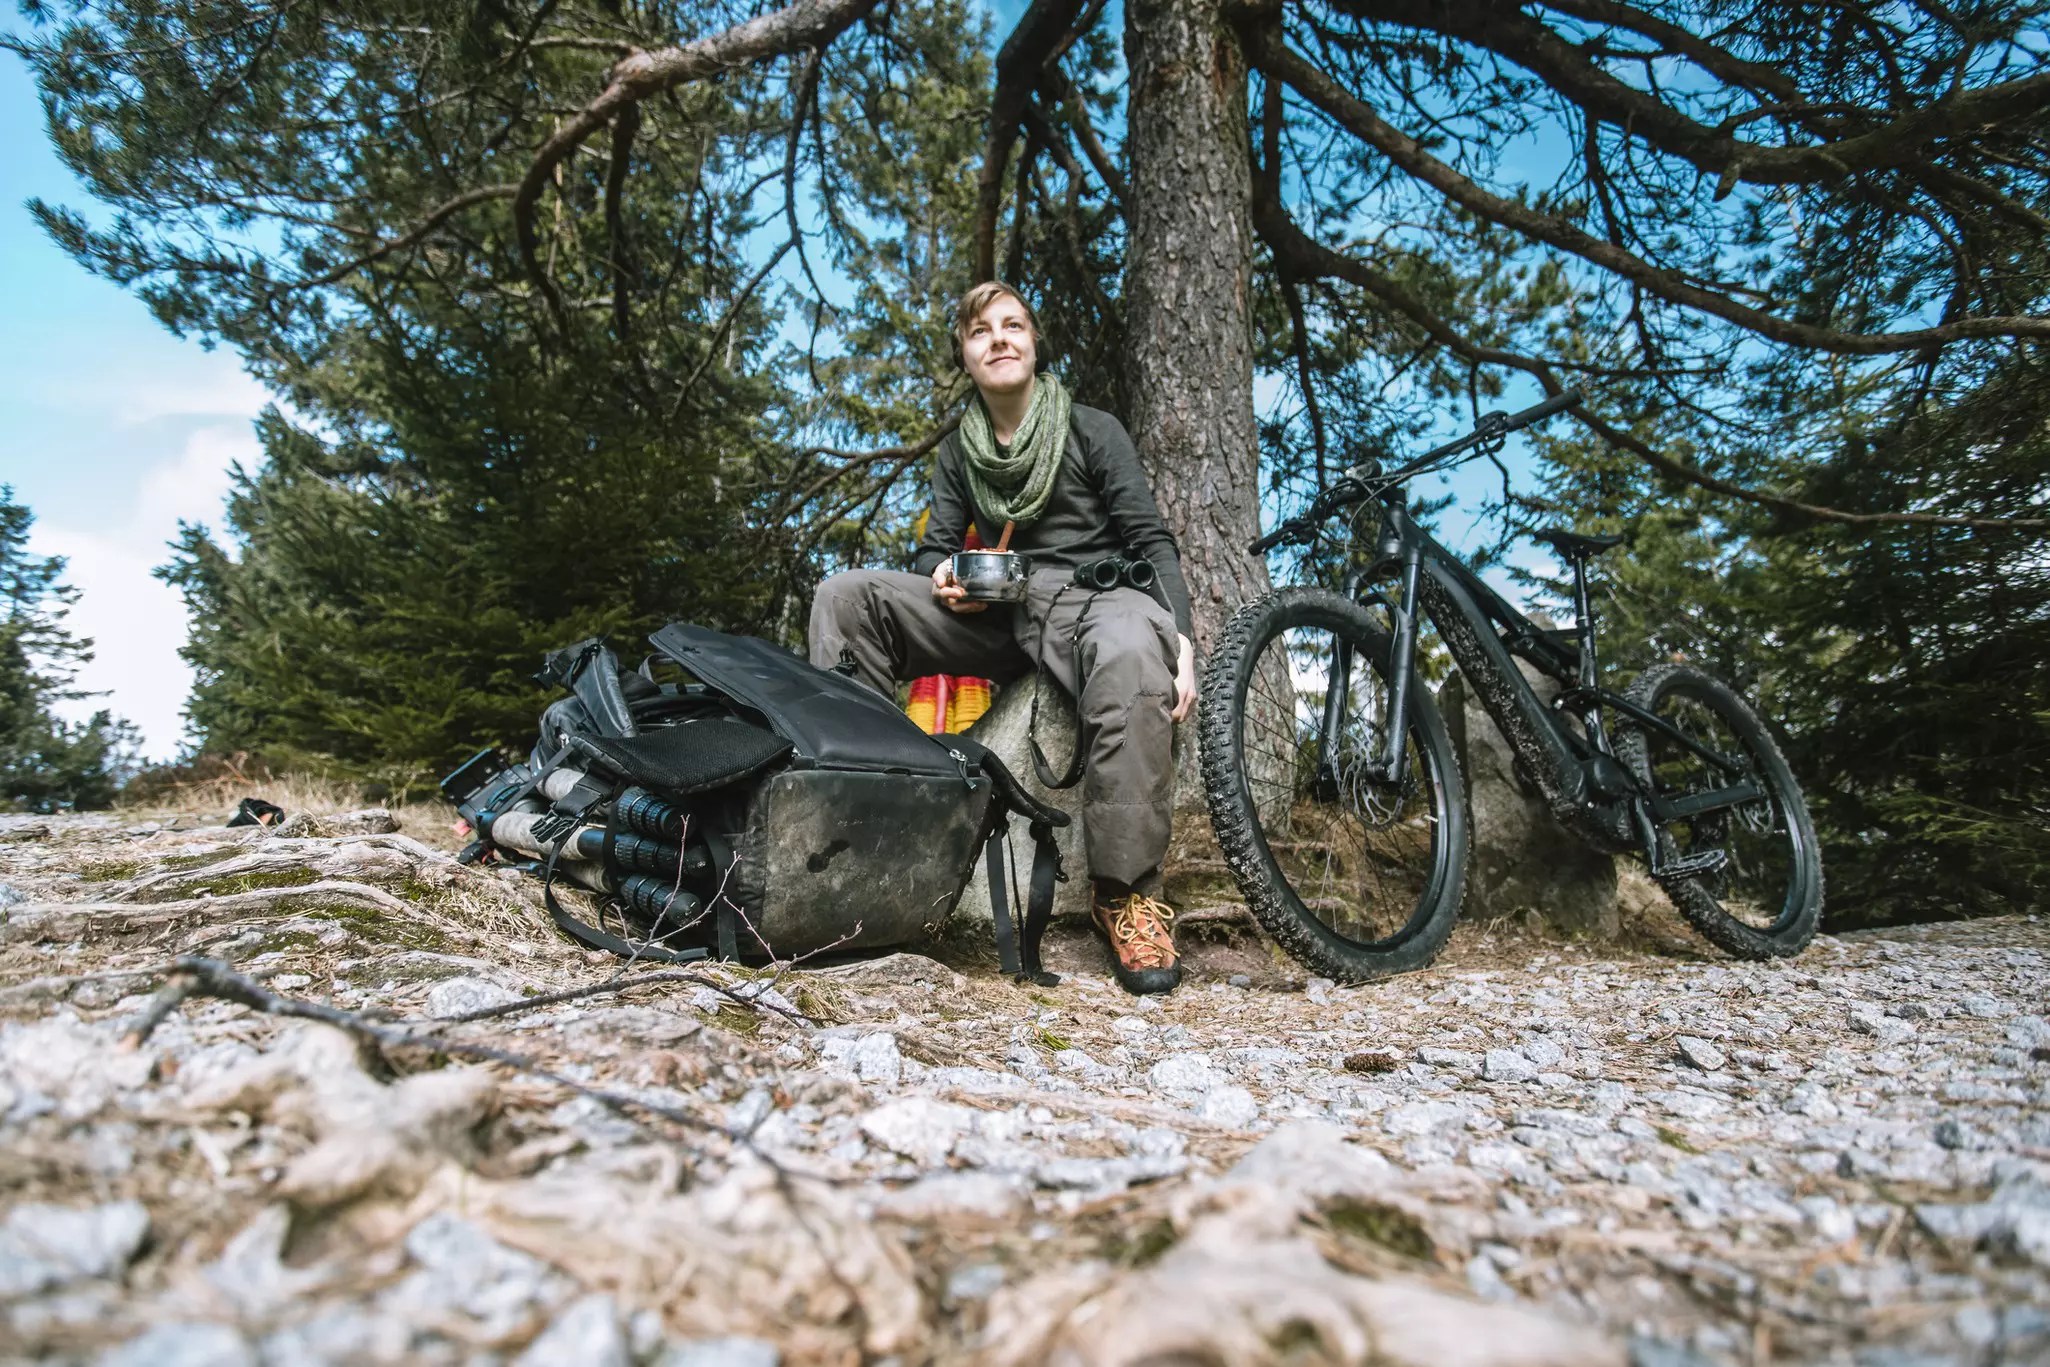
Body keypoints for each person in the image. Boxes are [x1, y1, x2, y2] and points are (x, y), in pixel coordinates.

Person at [809, 282, 1197, 995]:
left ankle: (1127, 895)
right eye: (981, 329)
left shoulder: (1090, 428)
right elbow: (929, 554)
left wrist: (1185, 641)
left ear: (1034, 340)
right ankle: (862, 848)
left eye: (1013, 323)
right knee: (846, 597)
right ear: (965, 352)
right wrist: (948, 572)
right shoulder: (962, 452)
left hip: (1097, 600)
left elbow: (1150, 543)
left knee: (1131, 649)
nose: (999, 337)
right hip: (1000, 611)